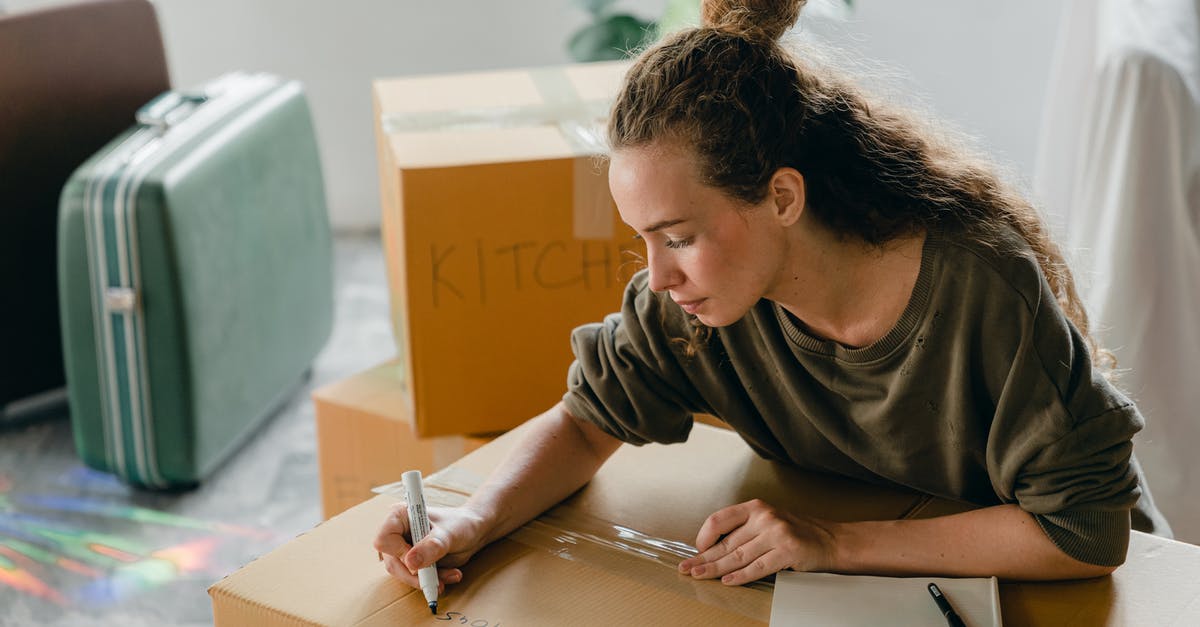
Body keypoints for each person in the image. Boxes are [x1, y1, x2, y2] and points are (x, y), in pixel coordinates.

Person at [374, 0, 1171, 594]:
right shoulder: (690, 307)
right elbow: (585, 424)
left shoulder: (978, 287)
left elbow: (1084, 530)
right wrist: (466, 523)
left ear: (782, 198)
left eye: (680, 235)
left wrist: (829, 542)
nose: (657, 275)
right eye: (642, 237)